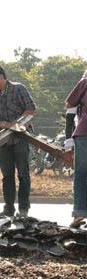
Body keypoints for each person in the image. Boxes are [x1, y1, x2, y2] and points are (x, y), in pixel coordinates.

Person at [0, 65, 36, 218]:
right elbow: (0, 118)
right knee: (7, 175)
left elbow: (31, 110)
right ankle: (8, 208)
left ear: (1, 77)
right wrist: (0, 123)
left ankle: (23, 209)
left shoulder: (19, 88)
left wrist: (14, 125)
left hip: (20, 137)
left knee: (23, 175)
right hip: (5, 140)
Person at [65, 70, 87, 227]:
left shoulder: (84, 81)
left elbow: (69, 103)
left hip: (84, 132)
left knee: (81, 174)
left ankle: (79, 213)